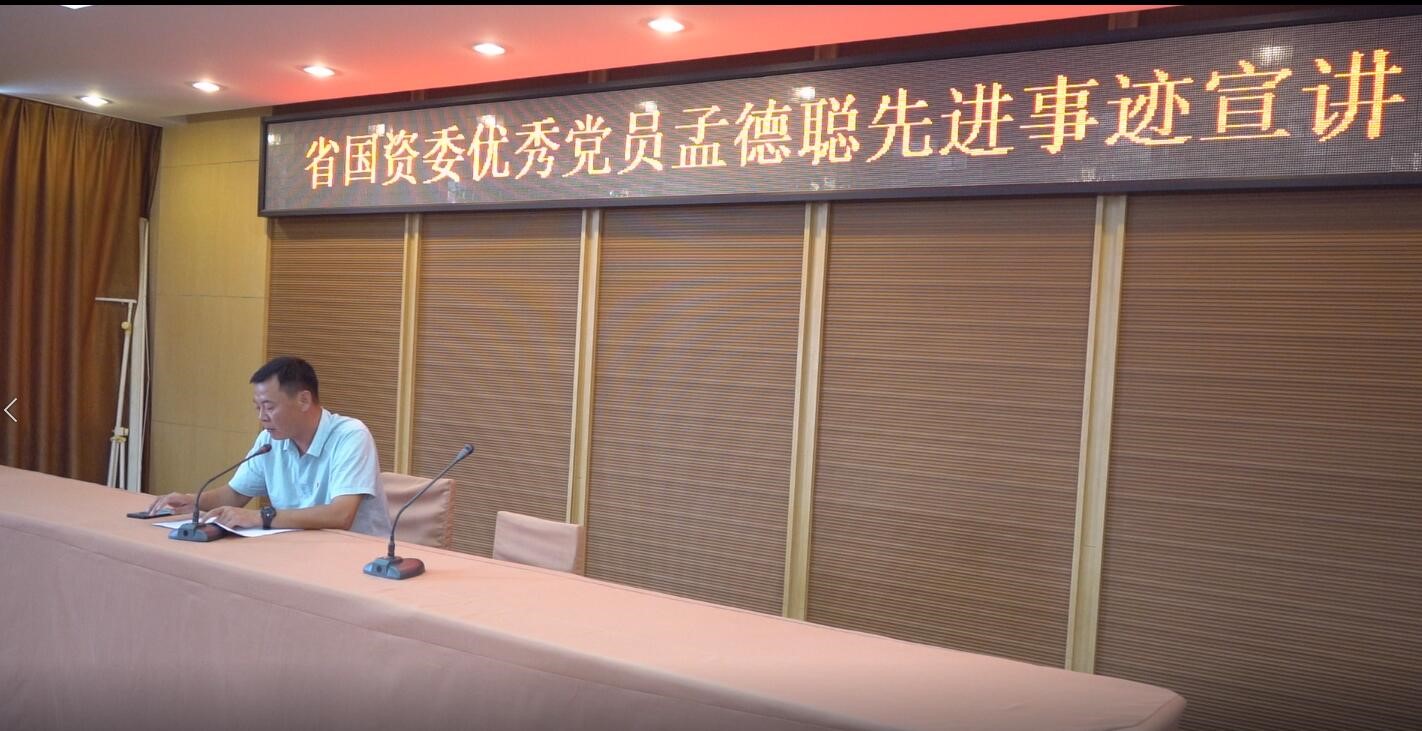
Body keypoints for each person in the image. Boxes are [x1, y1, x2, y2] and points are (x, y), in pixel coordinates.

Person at [147, 356, 392, 537]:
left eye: (269, 407)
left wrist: (261, 517)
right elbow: (235, 494)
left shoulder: (350, 436)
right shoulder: (269, 440)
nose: (262, 417)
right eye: (258, 407)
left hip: (354, 557)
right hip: (296, 550)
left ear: (304, 400)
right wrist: (192, 501)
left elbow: (341, 515)